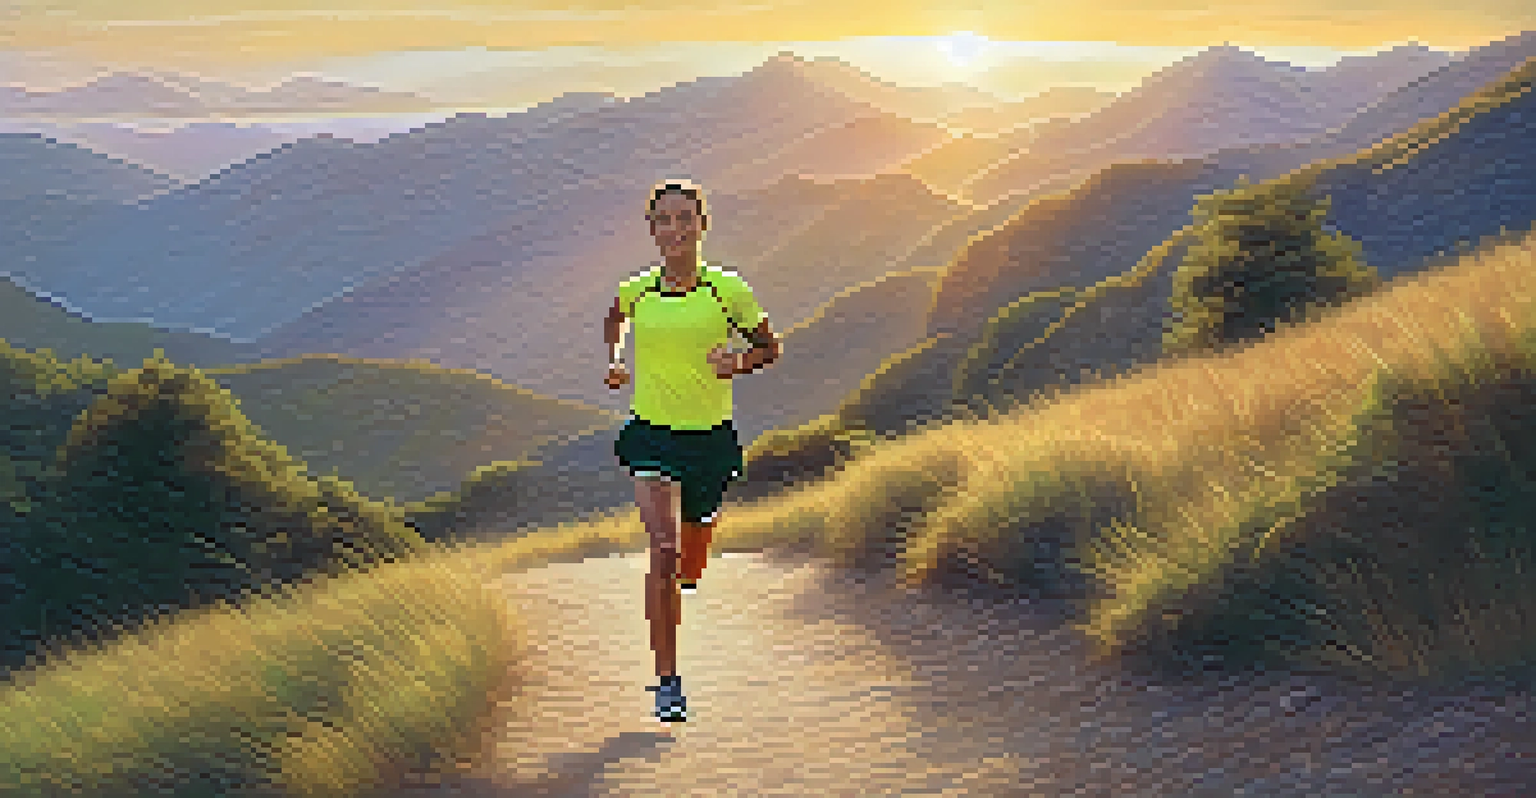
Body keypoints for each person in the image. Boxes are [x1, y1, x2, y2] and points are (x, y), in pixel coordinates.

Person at [605, 177, 782, 723]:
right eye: (664, 219)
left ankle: (692, 556)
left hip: (709, 441)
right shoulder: (637, 291)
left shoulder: (727, 290)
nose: (675, 229)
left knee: (691, 561)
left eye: (685, 218)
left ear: (702, 225)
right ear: (652, 230)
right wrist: (615, 360)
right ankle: (667, 683)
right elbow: (615, 319)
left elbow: (769, 347)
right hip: (651, 435)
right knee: (663, 551)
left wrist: (739, 362)